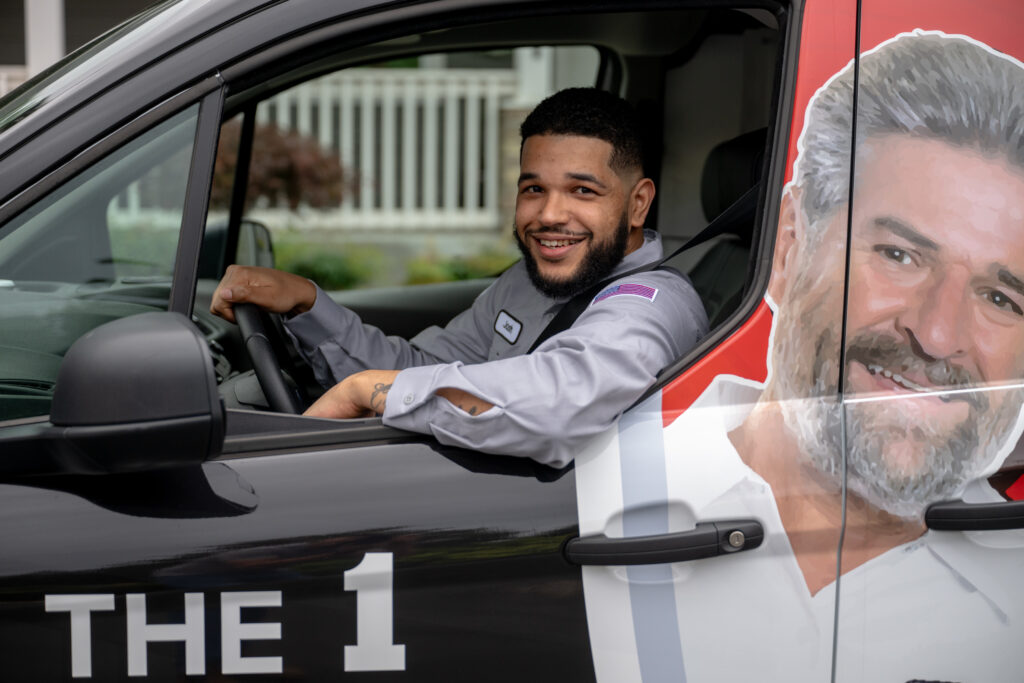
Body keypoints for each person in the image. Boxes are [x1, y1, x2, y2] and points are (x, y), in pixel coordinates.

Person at [576, 31, 1024, 683]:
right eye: (900, 255)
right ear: (789, 246)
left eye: (1000, 297)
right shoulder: (588, 496)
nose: (936, 333)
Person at [211, 88, 709, 467]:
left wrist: (368, 391)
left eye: (582, 191)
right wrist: (309, 305)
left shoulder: (652, 305)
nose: (550, 214)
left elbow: (563, 402)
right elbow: (425, 366)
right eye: (533, 188)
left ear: (638, 203)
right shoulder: (531, 279)